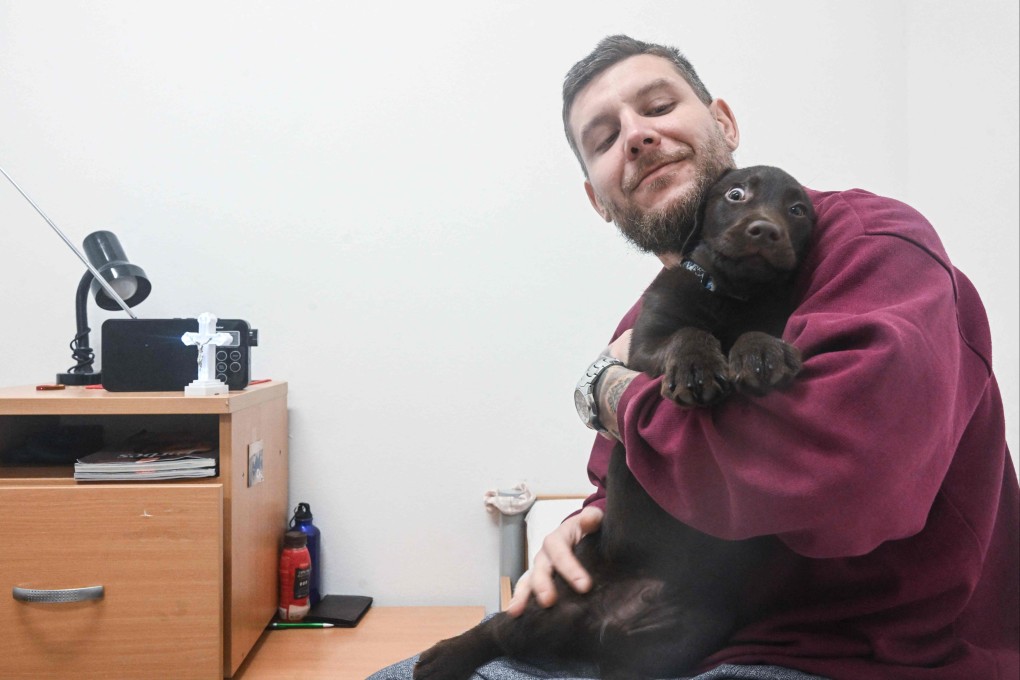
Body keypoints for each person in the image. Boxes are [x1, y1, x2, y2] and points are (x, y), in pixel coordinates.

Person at [370, 34, 1019, 680]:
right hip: (675, 633)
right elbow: (626, 472)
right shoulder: (649, 316)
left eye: (658, 106)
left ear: (724, 123)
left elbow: (842, 478)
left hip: (854, 655)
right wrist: (580, 527)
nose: (637, 135)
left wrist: (609, 391)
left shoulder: (870, 244)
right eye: (605, 138)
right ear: (598, 201)